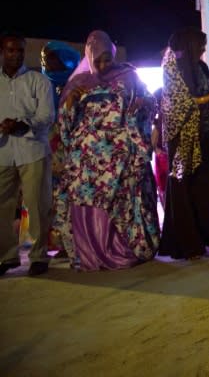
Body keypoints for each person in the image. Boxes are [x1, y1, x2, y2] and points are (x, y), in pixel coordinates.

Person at [54, 30, 160, 271]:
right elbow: (65, 126)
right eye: (97, 60)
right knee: (84, 195)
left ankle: (122, 249)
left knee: (124, 197)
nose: (102, 66)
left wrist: (144, 103)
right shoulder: (78, 83)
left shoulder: (129, 76)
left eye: (106, 60)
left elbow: (150, 102)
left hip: (122, 154)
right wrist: (70, 103)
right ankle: (91, 252)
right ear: (89, 57)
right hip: (87, 158)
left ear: (113, 55)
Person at [158, 27, 209, 260]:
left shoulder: (201, 67)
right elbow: (180, 103)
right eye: (200, 45)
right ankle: (188, 244)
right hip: (183, 139)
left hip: (205, 134)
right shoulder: (171, 69)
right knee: (184, 187)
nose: (204, 49)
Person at [0, 32, 54, 276]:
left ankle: (39, 256)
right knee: (2, 206)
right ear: (2, 52)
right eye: (11, 50)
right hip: (3, 152)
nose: (16, 55)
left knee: (37, 206)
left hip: (32, 150)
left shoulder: (39, 81)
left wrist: (22, 124)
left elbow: (47, 117)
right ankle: (7, 257)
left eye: (20, 50)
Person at [40, 40, 81, 257]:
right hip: (47, 151)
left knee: (75, 196)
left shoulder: (79, 83)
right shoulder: (40, 83)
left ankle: (80, 241)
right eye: (45, 58)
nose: (47, 62)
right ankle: (61, 243)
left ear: (66, 59)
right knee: (54, 199)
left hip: (75, 151)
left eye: (52, 58)